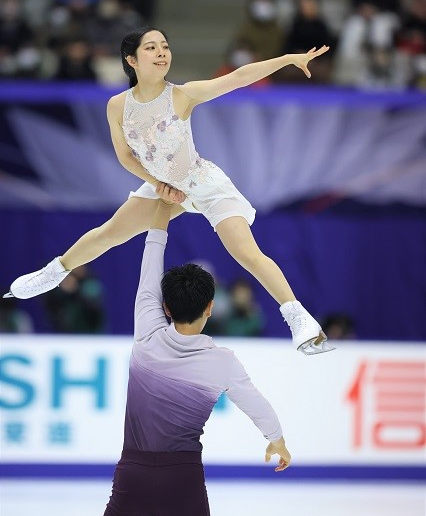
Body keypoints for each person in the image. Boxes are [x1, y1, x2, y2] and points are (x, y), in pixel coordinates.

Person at [3, 26, 334, 355]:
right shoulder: (117, 106)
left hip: (202, 183)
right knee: (110, 233)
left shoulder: (182, 95)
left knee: (245, 252)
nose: (161, 52)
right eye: (151, 48)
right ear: (131, 59)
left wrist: (288, 58)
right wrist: (158, 183)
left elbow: (238, 78)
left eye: (165, 46)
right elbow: (125, 156)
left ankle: (298, 317)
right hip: (164, 186)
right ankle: (53, 272)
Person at [77, 194, 291, 516]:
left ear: (164, 307)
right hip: (183, 487)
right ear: (211, 308)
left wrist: (161, 206)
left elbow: (149, 262)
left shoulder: (147, 332)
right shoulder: (222, 362)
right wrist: (276, 439)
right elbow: (257, 404)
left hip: (132, 481)